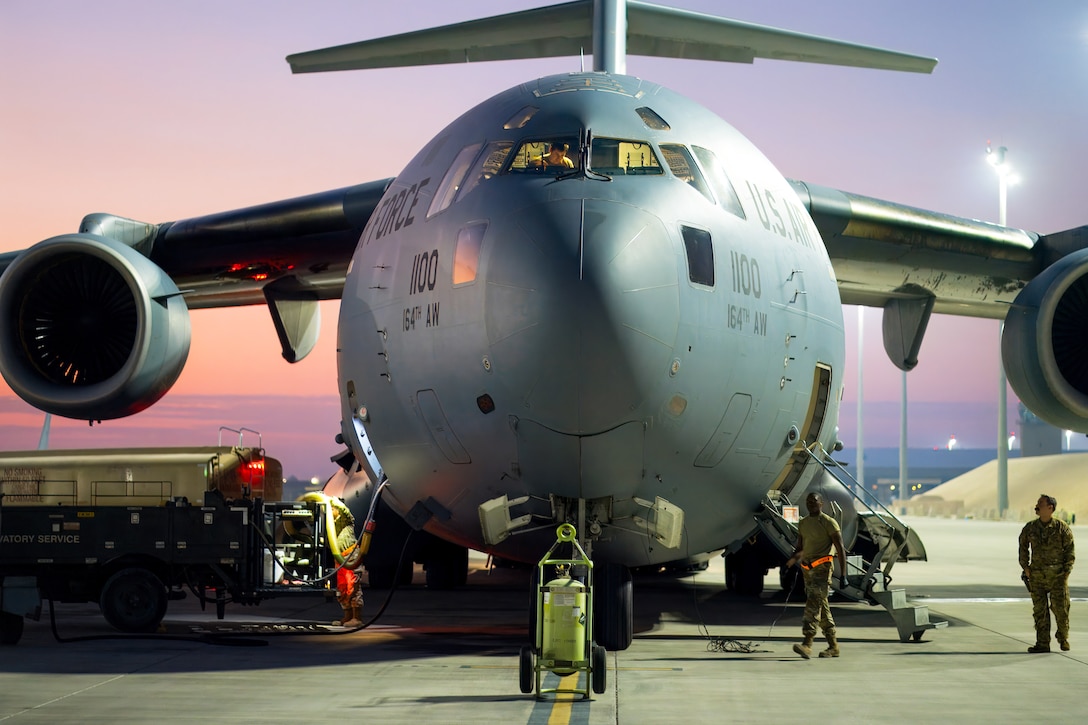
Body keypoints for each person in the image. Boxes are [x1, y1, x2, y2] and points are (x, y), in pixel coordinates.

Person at [785, 492, 847, 659]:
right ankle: (833, 646)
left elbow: (840, 548)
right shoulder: (803, 523)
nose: (811, 504)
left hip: (822, 569)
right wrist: (791, 562)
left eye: (814, 501)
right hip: (807, 570)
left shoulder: (828, 522)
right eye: (808, 501)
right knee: (822, 607)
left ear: (821, 504)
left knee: (813, 604)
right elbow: (800, 547)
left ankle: (807, 643)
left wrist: (844, 575)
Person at [1019, 494, 1075, 652]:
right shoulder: (1030, 527)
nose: (1036, 506)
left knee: (1061, 609)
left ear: (1050, 508)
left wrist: (1066, 572)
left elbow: (1070, 551)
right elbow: (1022, 546)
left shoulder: (1061, 528)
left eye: (1040, 504)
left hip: (1057, 577)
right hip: (1036, 576)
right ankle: (1042, 644)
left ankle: (1063, 637)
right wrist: (1026, 567)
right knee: (1040, 612)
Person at [331, 500, 364, 628]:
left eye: (333, 509)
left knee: (353, 585)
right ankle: (348, 616)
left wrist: (332, 500)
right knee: (343, 587)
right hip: (339, 557)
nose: (331, 511)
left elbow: (344, 510)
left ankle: (357, 617)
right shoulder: (331, 527)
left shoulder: (347, 521)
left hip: (350, 554)